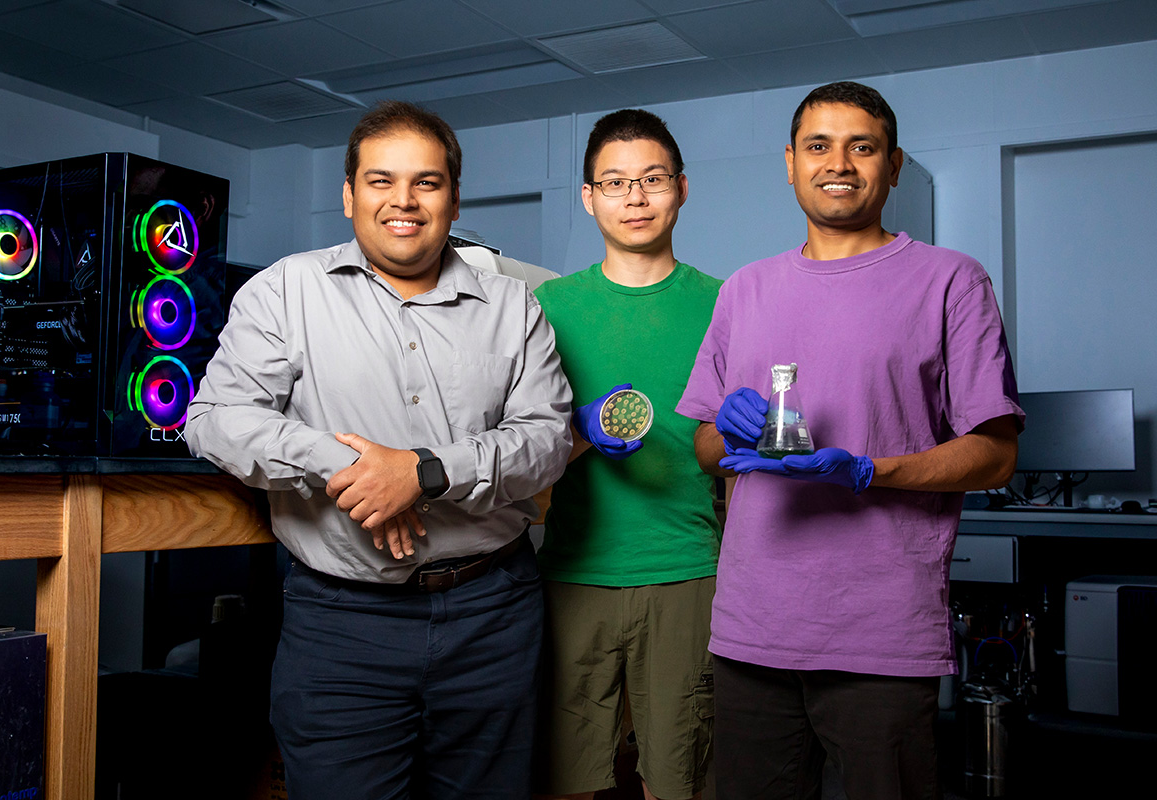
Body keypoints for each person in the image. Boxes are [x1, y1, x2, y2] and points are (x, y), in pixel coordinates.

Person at [185, 100, 572, 799]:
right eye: (380, 180)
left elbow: (545, 444)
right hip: (341, 625)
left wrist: (423, 473)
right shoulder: (284, 293)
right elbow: (214, 418)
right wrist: (350, 469)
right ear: (348, 195)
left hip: (493, 616)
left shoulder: (515, 307)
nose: (404, 201)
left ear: (454, 199)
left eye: (427, 182)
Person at [676, 81, 1024, 800]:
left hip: (880, 631)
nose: (839, 163)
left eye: (862, 147)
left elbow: (995, 456)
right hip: (752, 626)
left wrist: (871, 470)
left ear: (893, 165)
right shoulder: (744, 289)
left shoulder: (949, 281)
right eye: (818, 146)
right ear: (790, 162)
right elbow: (706, 448)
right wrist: (724, 429)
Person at [532, 109, 722, 800]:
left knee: (682, 779)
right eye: (614, 182)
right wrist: (576, 432)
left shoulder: (724, 305)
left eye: (651, 179)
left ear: (681, 188)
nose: (634, 197)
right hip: (574, 574)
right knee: (563, 776)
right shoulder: (548, 307)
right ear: (588, 197)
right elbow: (516, 447)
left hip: (687, 572)